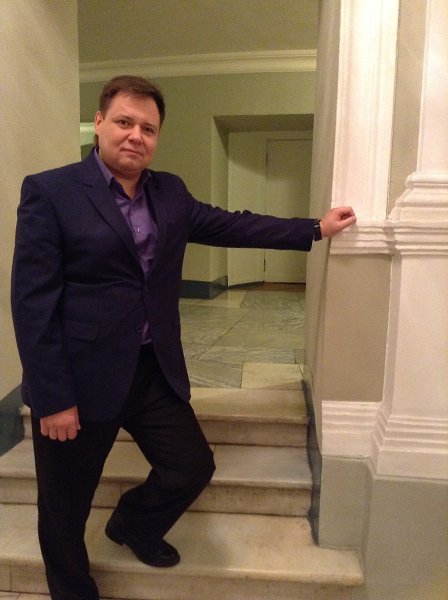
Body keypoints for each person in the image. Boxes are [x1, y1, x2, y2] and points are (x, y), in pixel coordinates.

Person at [11, 75, 356, 600]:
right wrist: (53, 397)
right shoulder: (51, 191)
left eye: (148, 128)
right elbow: (33, 303)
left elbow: (231, 225)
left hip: (151, 369)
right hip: (79, 377)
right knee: (64, 506)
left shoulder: (168, 191)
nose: (136, 135)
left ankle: (133, 523)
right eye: (124, 122)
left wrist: (314, 228)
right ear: (99, 123)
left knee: (191, 466)